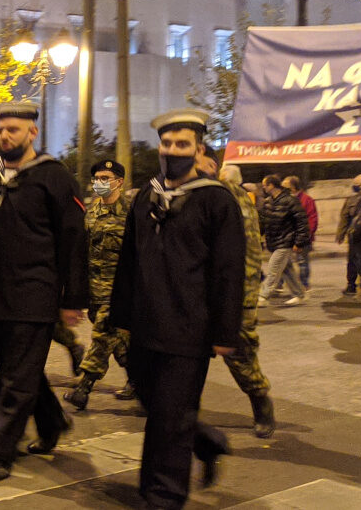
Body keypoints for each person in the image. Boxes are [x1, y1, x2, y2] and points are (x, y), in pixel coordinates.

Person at [111, 109, 244, 509]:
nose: (172, 151)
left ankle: (163, 496)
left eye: (181, 144)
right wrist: (120, 315)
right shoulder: (146, 197)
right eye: (166, 144)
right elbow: (128, 261)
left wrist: (225, 333)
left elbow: (229, 271)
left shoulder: (216, 200)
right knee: (158, 406)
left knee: (170, 417)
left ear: (199, 149)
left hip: (190, 328)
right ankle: (207, 441)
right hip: (146, 324)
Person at [0, 101, 86, 484]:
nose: (6, 135)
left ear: (32, 133)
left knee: (13, 377)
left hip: (35, 293)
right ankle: (53, 423)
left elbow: (74, 239)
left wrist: (73, 299)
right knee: (20, 370)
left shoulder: (53, 177)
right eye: (2, 129)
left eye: (14, 129)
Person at [63, 160, 132, 410]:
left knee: (102, 338)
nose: (99, 182)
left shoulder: (132, 213)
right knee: (120, 343)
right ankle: (141, 383)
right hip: (94, 291)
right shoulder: (91, 211)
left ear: (119, 182)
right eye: (97, 178)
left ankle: (84, 388)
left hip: (119, 293)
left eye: (105, 178)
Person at [216, 163, 276, 438]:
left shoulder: (231, 197)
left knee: (238, 349)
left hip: (239, 286)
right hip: (211, 286)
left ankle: (259, 398)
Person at [258, 175, 310, 306]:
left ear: (272, 185)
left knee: (273, 267)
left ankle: (263, 297)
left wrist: (299, 242)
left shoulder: (290, 200)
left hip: (285, 241)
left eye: (265, 185)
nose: (263, 188)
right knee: (287, 269)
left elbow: (302, 222)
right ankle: (300, 294)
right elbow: (263, 222)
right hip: (273, 241)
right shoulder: (268, 202)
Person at [283, 176, 317, 290]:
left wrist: (305, 236)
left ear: (292, 187)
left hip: (302, 237)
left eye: (285, 186)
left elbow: (312, 219)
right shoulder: (285, 200)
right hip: (287, 237)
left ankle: (304, 284)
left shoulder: (307, 200)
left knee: (302, 262)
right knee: (284, 262)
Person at [338, 174, 361, 296]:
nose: (355, 187)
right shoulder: (351, 200)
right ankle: (352, 285)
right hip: (355, 236)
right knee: (353, 261)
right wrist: (341, 234)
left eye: (357, 185)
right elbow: (344, 218)